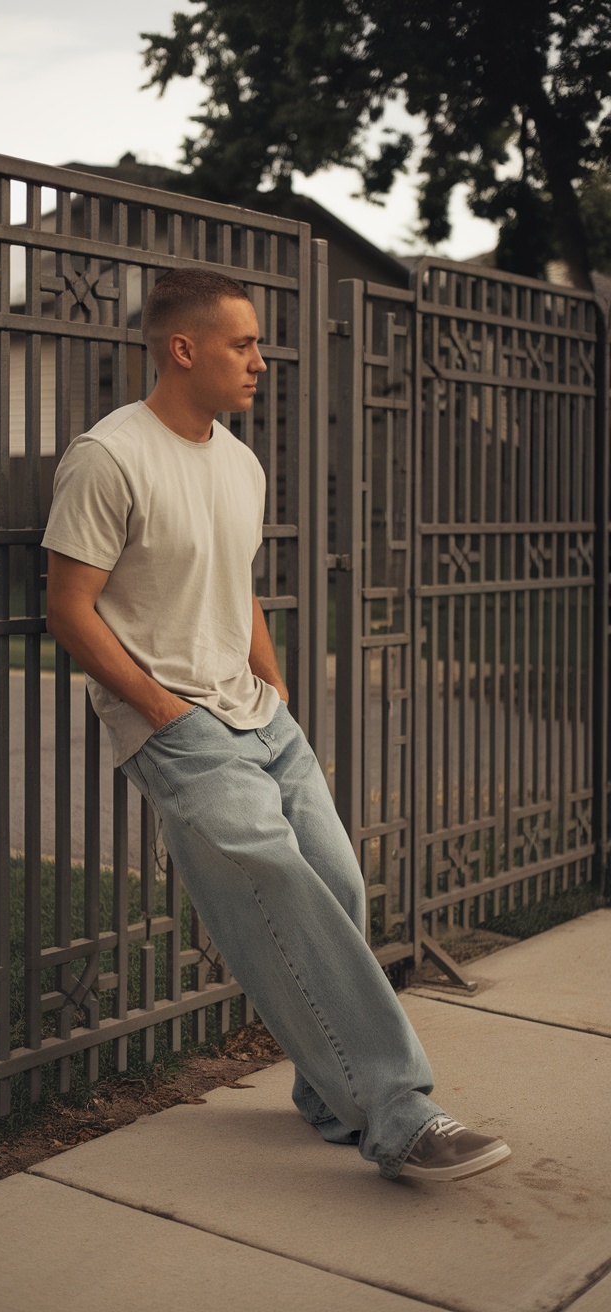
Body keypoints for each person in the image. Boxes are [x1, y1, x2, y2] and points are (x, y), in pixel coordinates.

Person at [42, 268, 510, 1182]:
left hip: (259, 714)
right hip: (178, 724)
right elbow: (70, 607)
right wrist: (157, 706)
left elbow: (236, 580)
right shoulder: (108, 456)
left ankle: (327, 1093)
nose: (264, 360)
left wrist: (275, 684)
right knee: (278, 878)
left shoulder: (239, 460)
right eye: (244, 344)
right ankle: (397, 1111)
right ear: (184, 349)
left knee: (337, 882)